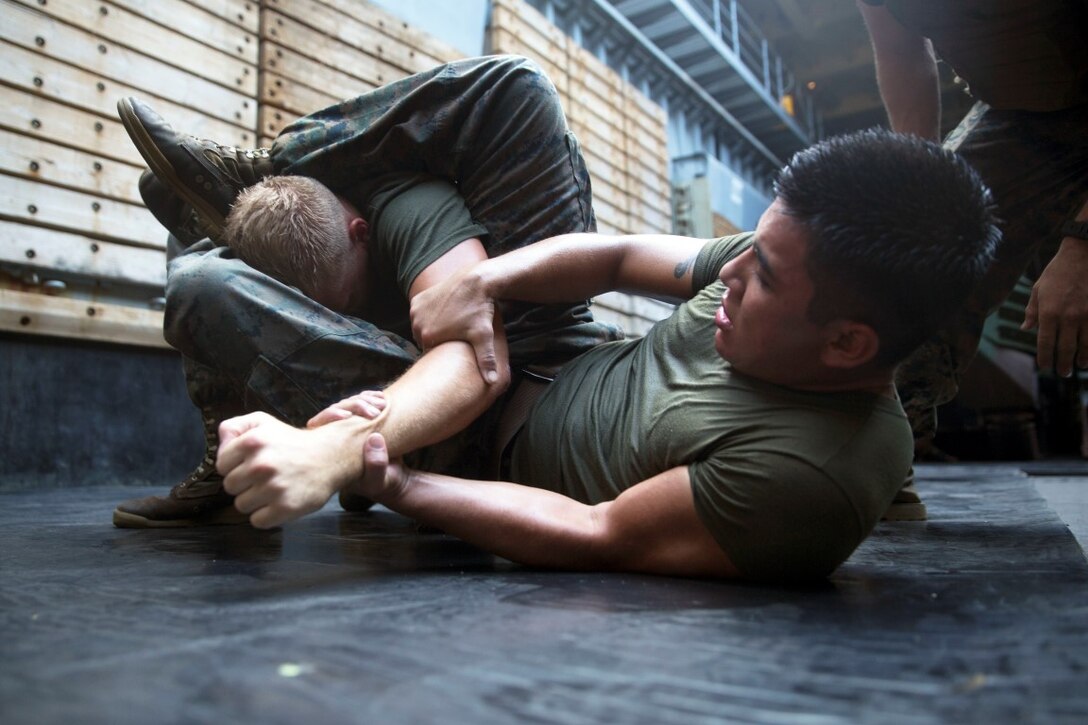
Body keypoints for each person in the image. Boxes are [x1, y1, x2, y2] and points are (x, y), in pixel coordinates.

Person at [215, 129, 1000, 582]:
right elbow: (622, 254)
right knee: (513, 93)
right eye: (748, 249)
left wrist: (404, 482)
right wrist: (480, 280)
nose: (726, 269)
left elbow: (594, 529)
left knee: (208, 288)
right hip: (551, 344)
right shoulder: (789, 264)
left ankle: (238, 258)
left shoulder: (807, 478)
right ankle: (276, 169)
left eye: (757, 275)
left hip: (479, 452)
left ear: (847, 343)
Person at [112, 55, 619, 528]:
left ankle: (274, 164)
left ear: (362, 231)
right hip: (406, 403)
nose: (341, 315)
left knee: (517, 85)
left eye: (346, 300)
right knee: (193, 254)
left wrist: (338, 453)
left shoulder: (408, 207)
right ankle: (231, 455)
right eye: (319, 308)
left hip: (477, 405)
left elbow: (480, 367)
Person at [857, 1, 1088, 510]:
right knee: (915, 267)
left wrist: (1081, 248)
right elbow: (901, 54)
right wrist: (924, 185)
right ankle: (884, 464)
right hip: (1022, 118)